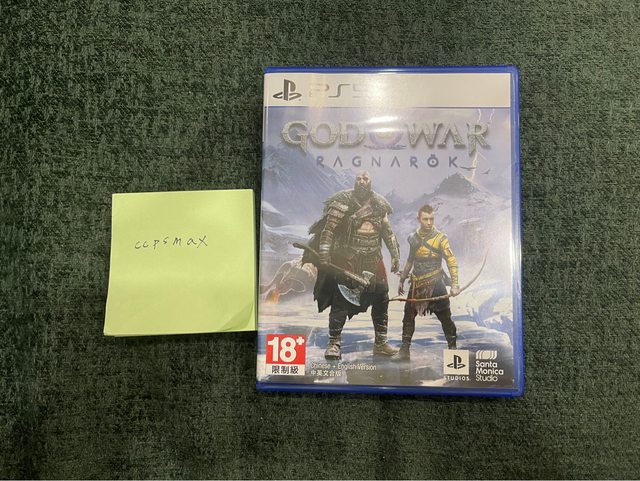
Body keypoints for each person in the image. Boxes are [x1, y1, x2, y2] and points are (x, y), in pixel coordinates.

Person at [305, 171, 400, 360]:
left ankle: (380, 343)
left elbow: (387, 232)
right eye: (359, 179)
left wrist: (395, 256)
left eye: (365, 178)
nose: (362, 181)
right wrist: (324, 253)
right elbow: (329, 230)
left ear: (370, 181)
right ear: (355, 181)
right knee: (341, 300)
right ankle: (334, 344)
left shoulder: (379, 204)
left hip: (374, 258)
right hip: (350, 258)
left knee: (381, 298)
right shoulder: (342, 201)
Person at [393, 204, 460, 361]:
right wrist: (402, 279)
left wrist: (455, 284)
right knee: (408, 316)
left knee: (445, 318)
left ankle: (453, 349)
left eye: (431, 219)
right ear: (419, 219)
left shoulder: (441, 238)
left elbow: (451, 261)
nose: (429, 223)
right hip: (416, 283)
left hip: (436, 283)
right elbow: (410, 260)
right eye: (425, 219)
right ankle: (404, 351)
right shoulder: (414, 238)